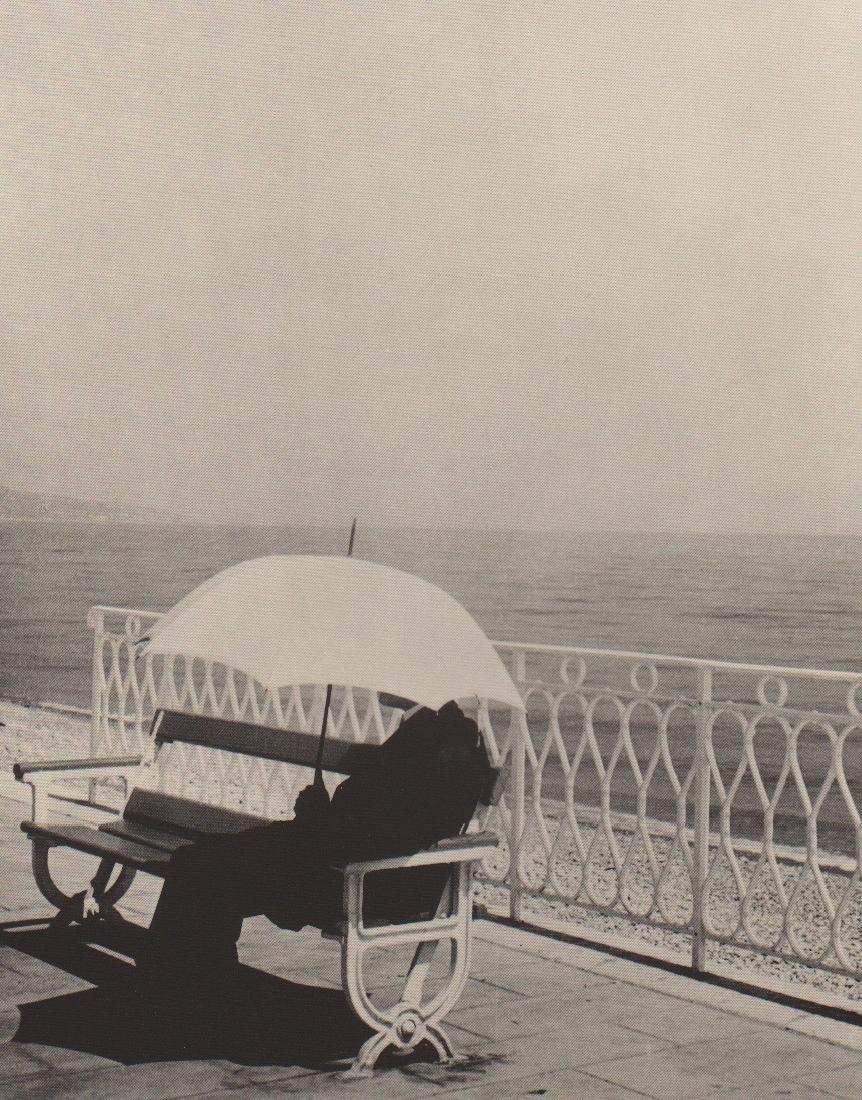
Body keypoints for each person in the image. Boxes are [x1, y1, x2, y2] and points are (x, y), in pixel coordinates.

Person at [135, 700, 489, 1007]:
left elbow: (388, 833)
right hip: (338, 860)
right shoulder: (431, 732)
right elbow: (375, 818)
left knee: (204, 868)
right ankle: (189, 985)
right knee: (199, 861)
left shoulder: (445, 745)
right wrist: (320, 812)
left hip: (366, 882)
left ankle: (183, 990)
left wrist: (318, 814)